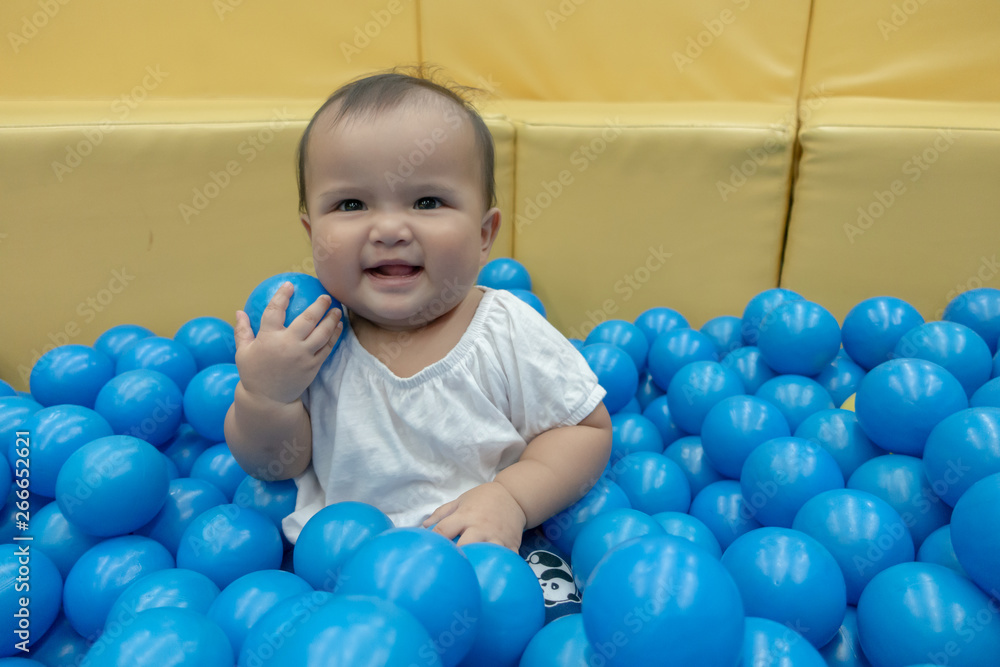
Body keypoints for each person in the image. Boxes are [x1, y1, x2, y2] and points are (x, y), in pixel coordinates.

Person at [223, 68, 612, 618]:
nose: (389, 228)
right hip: (337, 570)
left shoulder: (504, 328)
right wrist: (267, 394)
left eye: (427, 202)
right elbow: (273, 464)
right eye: (352, 205)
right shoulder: (313, 338)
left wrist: (511, 499)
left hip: (492, 555)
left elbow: (585, 428)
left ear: (484, 235)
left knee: (552, 625)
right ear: (312, 236)